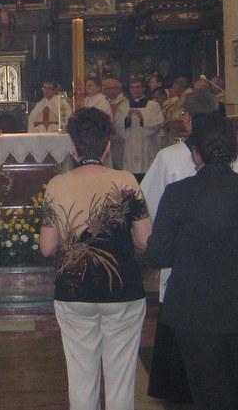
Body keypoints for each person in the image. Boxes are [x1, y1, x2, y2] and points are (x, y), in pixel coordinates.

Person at [40, 107, 152, 410]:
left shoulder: (57, 185)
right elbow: (145, 240)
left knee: (80, 379)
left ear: (73, 145)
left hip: (74, 292)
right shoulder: (126, 180)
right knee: (121, 380)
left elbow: (47, 247)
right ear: (107, 145)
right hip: (122, 292)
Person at [147, 112, 238, 410]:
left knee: (207, 392)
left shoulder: (179, 193)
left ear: (195, 153)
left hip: (193, 309)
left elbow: (158, 254)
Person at [114, 78, 164, 180]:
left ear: (143, 89)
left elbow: (159, 122)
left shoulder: (153, 105)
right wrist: (127, 119)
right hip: (130, 147)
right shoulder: (123, 107)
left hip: (147, 146)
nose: (135, 90)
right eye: (132, 87)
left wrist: (143, 119)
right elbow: (117, 124)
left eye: (137, 87)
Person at [103, 78, 128, 168]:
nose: (106, 91)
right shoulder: (105, 101)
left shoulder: (124, 102)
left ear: (118, 89)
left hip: (119, 137)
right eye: (106, 88)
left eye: (109, 88)